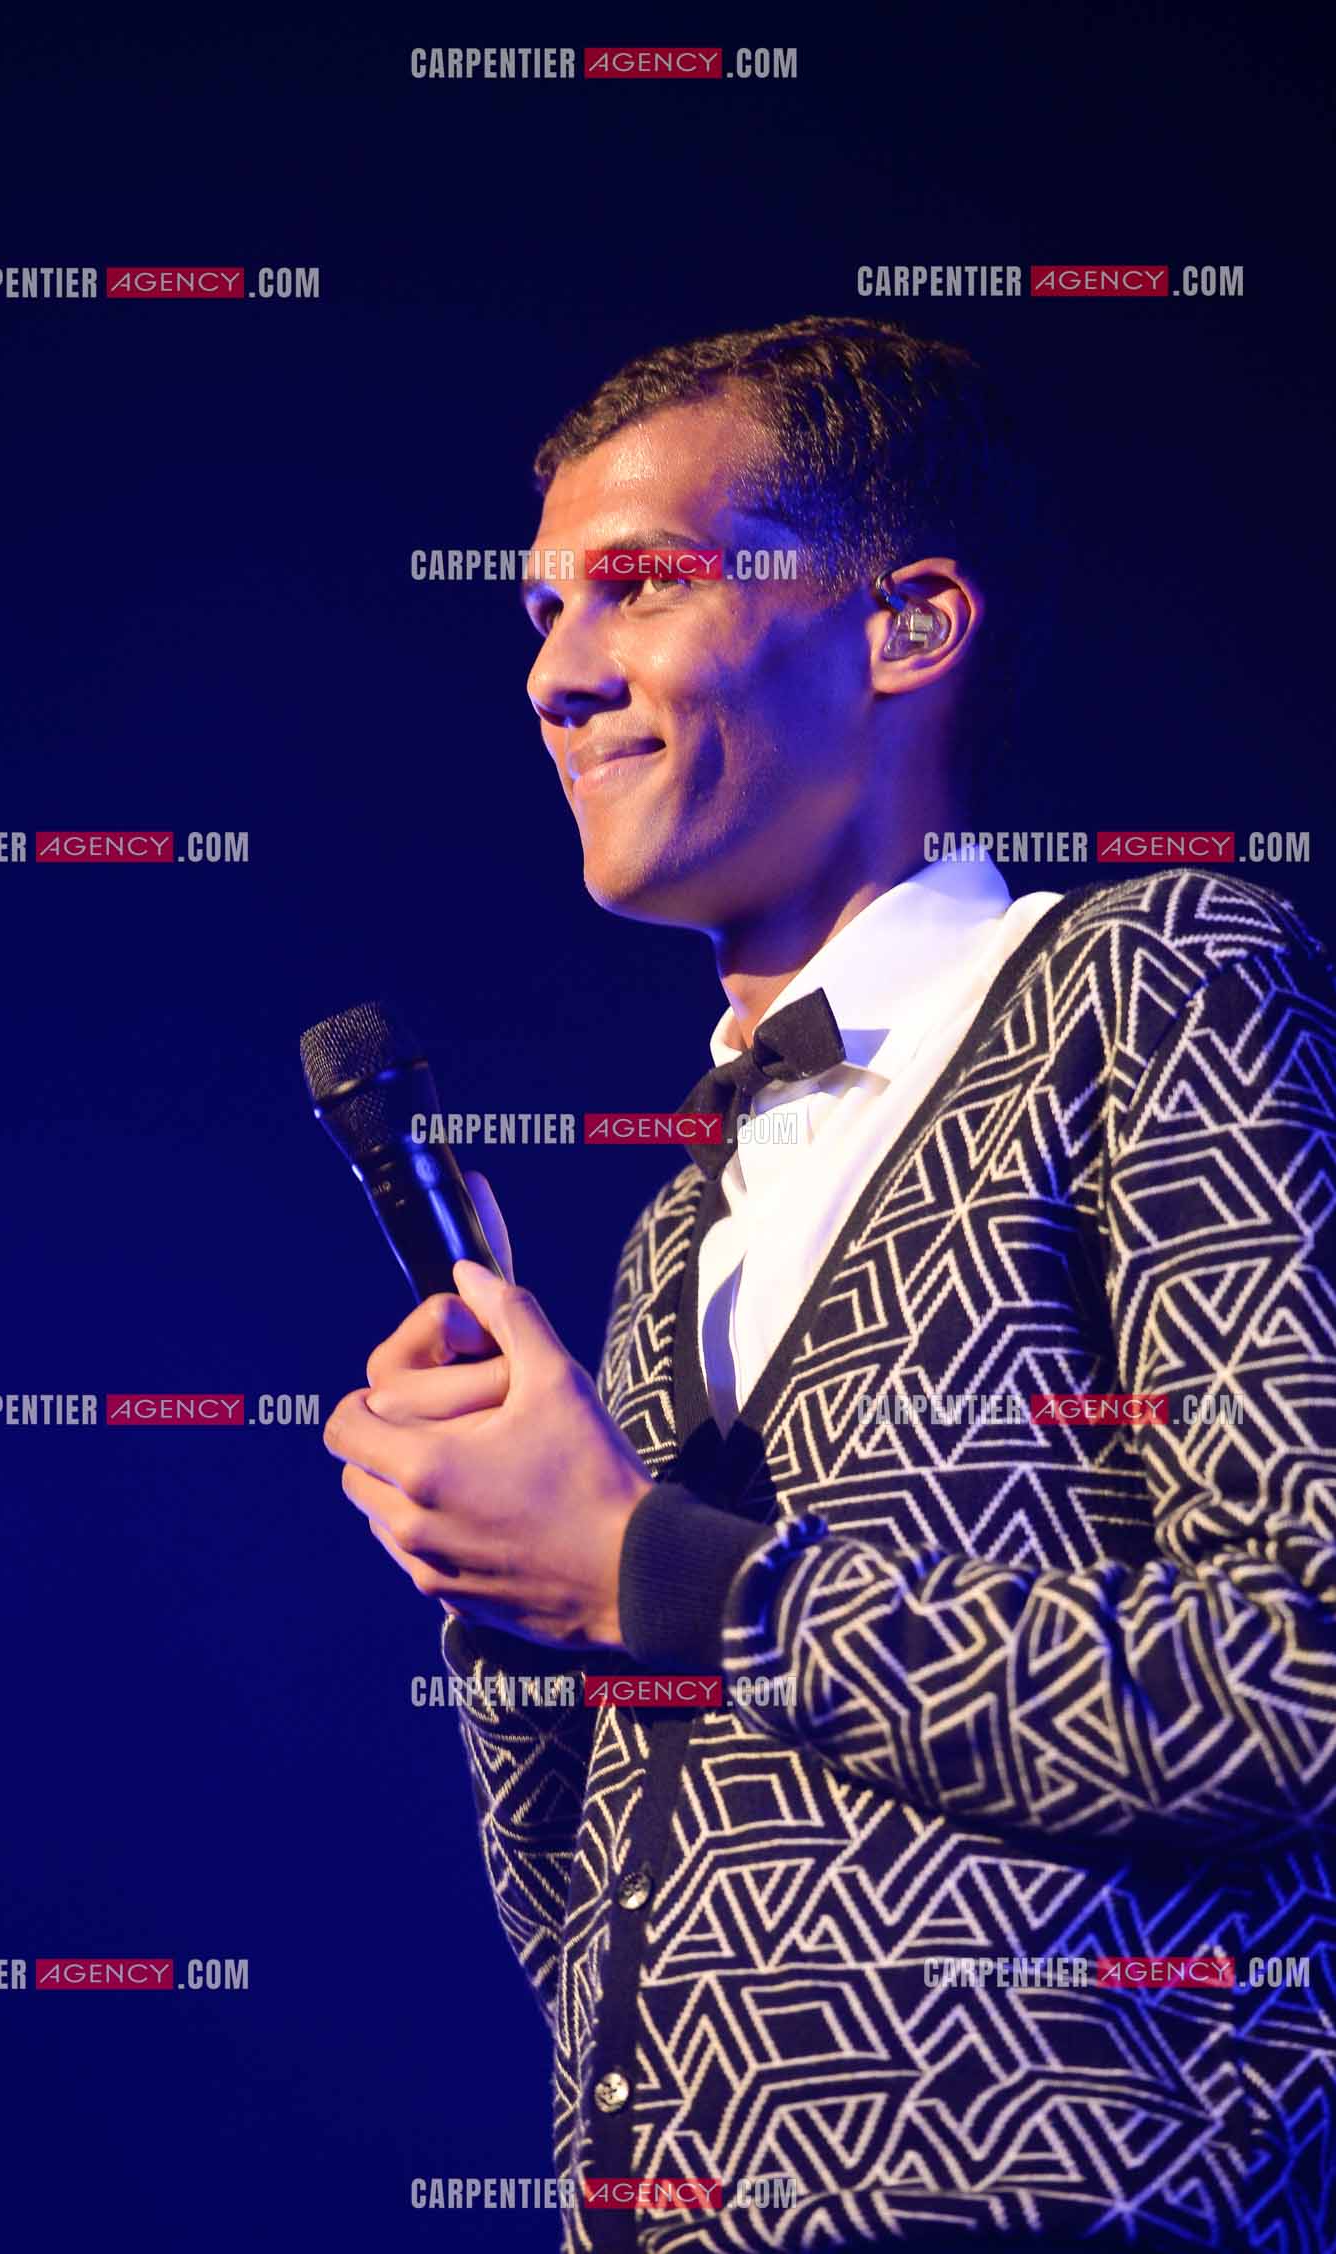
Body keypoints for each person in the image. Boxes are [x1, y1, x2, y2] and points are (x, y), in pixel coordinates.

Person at [324, 317, 1336, 2252]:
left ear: (905, 626)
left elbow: (1300, 1669)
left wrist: (653, 1564)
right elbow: (603, 1912)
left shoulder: (1153, 976)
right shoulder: (663, 1253)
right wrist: (506, 1578)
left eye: (638, 585)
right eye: (539, 612)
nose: (553, 672)